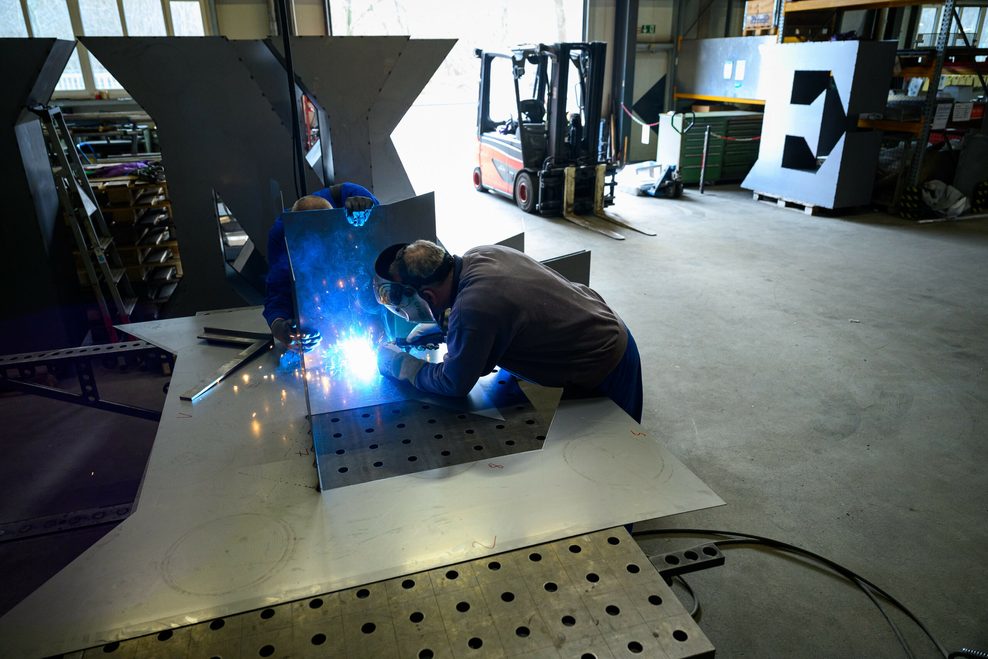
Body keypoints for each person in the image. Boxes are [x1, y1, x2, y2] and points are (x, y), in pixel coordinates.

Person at [373, 240, 643, 423]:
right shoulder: (479, 255)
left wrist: (402, 365)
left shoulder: (473, 308)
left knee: (611, 465)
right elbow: (501, 309)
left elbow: (453, 383)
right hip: (597, 320)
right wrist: (447, 327)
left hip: (606, 360)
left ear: (428, 295)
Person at [263, 183, 378, 349]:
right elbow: (277, 289)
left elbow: (382, 235)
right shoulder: (282, 236)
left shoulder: (352, 203)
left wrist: (370, 209)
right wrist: (279, 326)